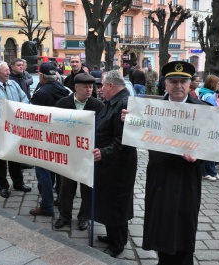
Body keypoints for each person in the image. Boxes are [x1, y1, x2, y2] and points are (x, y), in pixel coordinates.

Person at [132, 61, 205, 264]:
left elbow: (215, 146)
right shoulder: (151, 109)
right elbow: (136, 133)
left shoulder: (203, 111)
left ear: (190, 84)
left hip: (185, 180)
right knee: (161, 228)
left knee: (183, 230)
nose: (178, 85)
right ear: (165, 84)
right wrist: (129, 121)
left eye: (183, 81)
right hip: (159, 178)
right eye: (173, 81)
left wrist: (199, 156)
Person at [82, 70, 137, 258]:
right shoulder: (113, 102)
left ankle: (117, 244)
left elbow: (124, 141)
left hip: (117, 165)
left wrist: (103, 153)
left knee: (116, 204)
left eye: (102, 85)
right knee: (108, 201)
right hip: (108, 164)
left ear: (111, 86)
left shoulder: (123, 105)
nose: (100, 89)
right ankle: (112, 235)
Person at [54, 73, 104, 231]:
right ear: (76, 88)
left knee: (87, 188)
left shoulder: (98, 105)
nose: (89, 90)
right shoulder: (62, 103)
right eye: (85, 87)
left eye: (91, 87)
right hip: (68, 153)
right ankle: (64, 216)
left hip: (87, 154)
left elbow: (102, 130)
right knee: (66, 187)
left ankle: (84, 217)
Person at [0, 61, 32, 198]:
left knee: (15, 156)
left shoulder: (13, 84)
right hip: (0, 128)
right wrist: (8, 112)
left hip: (15, 126)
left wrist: (19, 110)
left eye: (8, 70)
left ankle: (18, 182)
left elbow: (24, 98)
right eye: (5, 71)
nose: (8, 73)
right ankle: (3, 186)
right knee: (0, 158)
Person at [29, 62, 70, 216]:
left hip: (44, 137)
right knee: (59, 170)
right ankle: (60, 198)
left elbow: (33, 117)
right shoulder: (65, 90)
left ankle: (46, 206)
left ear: (41, 76)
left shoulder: (40, 93)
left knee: (43, 171)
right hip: (61, 137)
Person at [198, 75, 219, 182]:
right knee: (208, 150)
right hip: (209, 125)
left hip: (204, 124)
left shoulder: (204, 93)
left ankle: (210, 171)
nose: (218, 85)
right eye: (217, 83)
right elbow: (214, 111)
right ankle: (205, 172)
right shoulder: (209, 96)